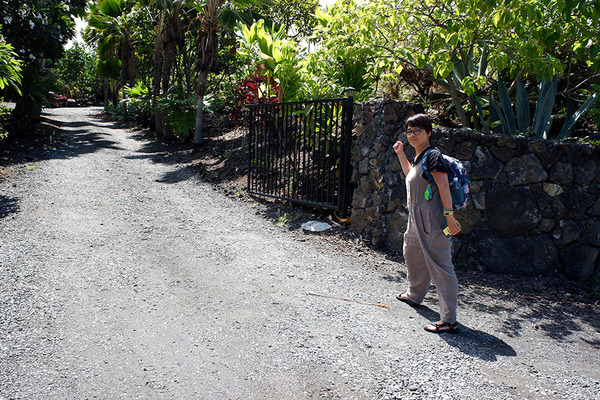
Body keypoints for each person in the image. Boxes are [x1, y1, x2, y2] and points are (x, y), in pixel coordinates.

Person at [392, 113, 461, 334]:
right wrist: (401, 154)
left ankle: (449, 321)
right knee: (412, 253)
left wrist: (449, 216)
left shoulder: (432, 157)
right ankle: (414, 294)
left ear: (428, 132)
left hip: (431, 218)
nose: (412, 135)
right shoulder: (419, 157)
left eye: (417, 131)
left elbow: (443, 187)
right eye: (409, 131)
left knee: (440, 266)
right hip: (415, 216)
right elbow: (410, 176)